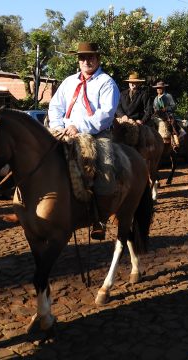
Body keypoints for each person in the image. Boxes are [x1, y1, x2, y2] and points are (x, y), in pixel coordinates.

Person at [48, 42, 120, 240]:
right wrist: (57, 126)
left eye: (90, 58)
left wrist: (78, 127)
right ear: (78, 60)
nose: (86, 61)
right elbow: (55, 105)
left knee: (105, 166)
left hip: (97, 133)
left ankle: (100, 220)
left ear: (98, 59)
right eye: (82, 58)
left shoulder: (106, 82)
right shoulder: (68, 82)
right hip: (64, 132)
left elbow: (106, 114)